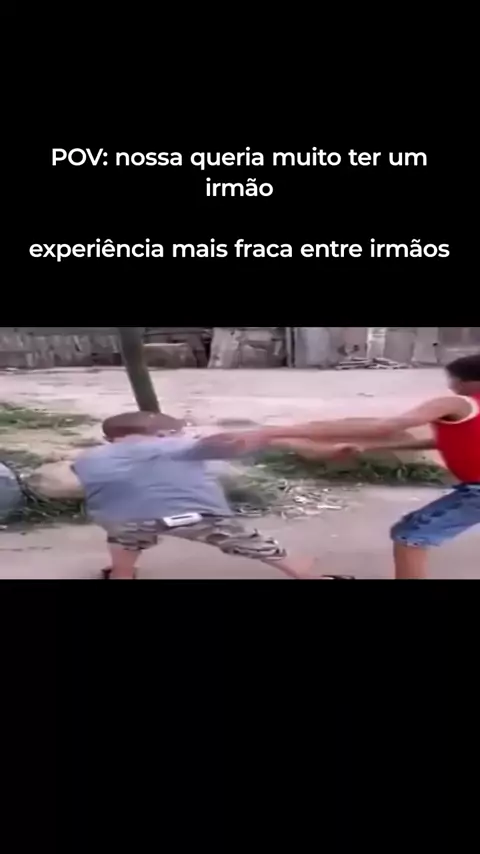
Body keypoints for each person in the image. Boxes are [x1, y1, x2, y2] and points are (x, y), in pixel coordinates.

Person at [220, 354, 480, 580]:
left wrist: (273, 432)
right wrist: (372, 449)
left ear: (466, 381)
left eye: (454, 380)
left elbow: (383, 427)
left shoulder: (458, 403)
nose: (451, 386)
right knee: (411, 530)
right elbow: (447, 441)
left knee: (410, 535)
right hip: (472, 488)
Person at [72, 411, 357, 580]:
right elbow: (220, 446)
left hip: (124, 519)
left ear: (109, 439)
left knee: (123, 542)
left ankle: (121, 575)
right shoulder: (179, 445)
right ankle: (308, 576)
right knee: (254, 545)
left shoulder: (88, 457)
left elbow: (87, 477)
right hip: (199, 515)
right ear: (166, 433)